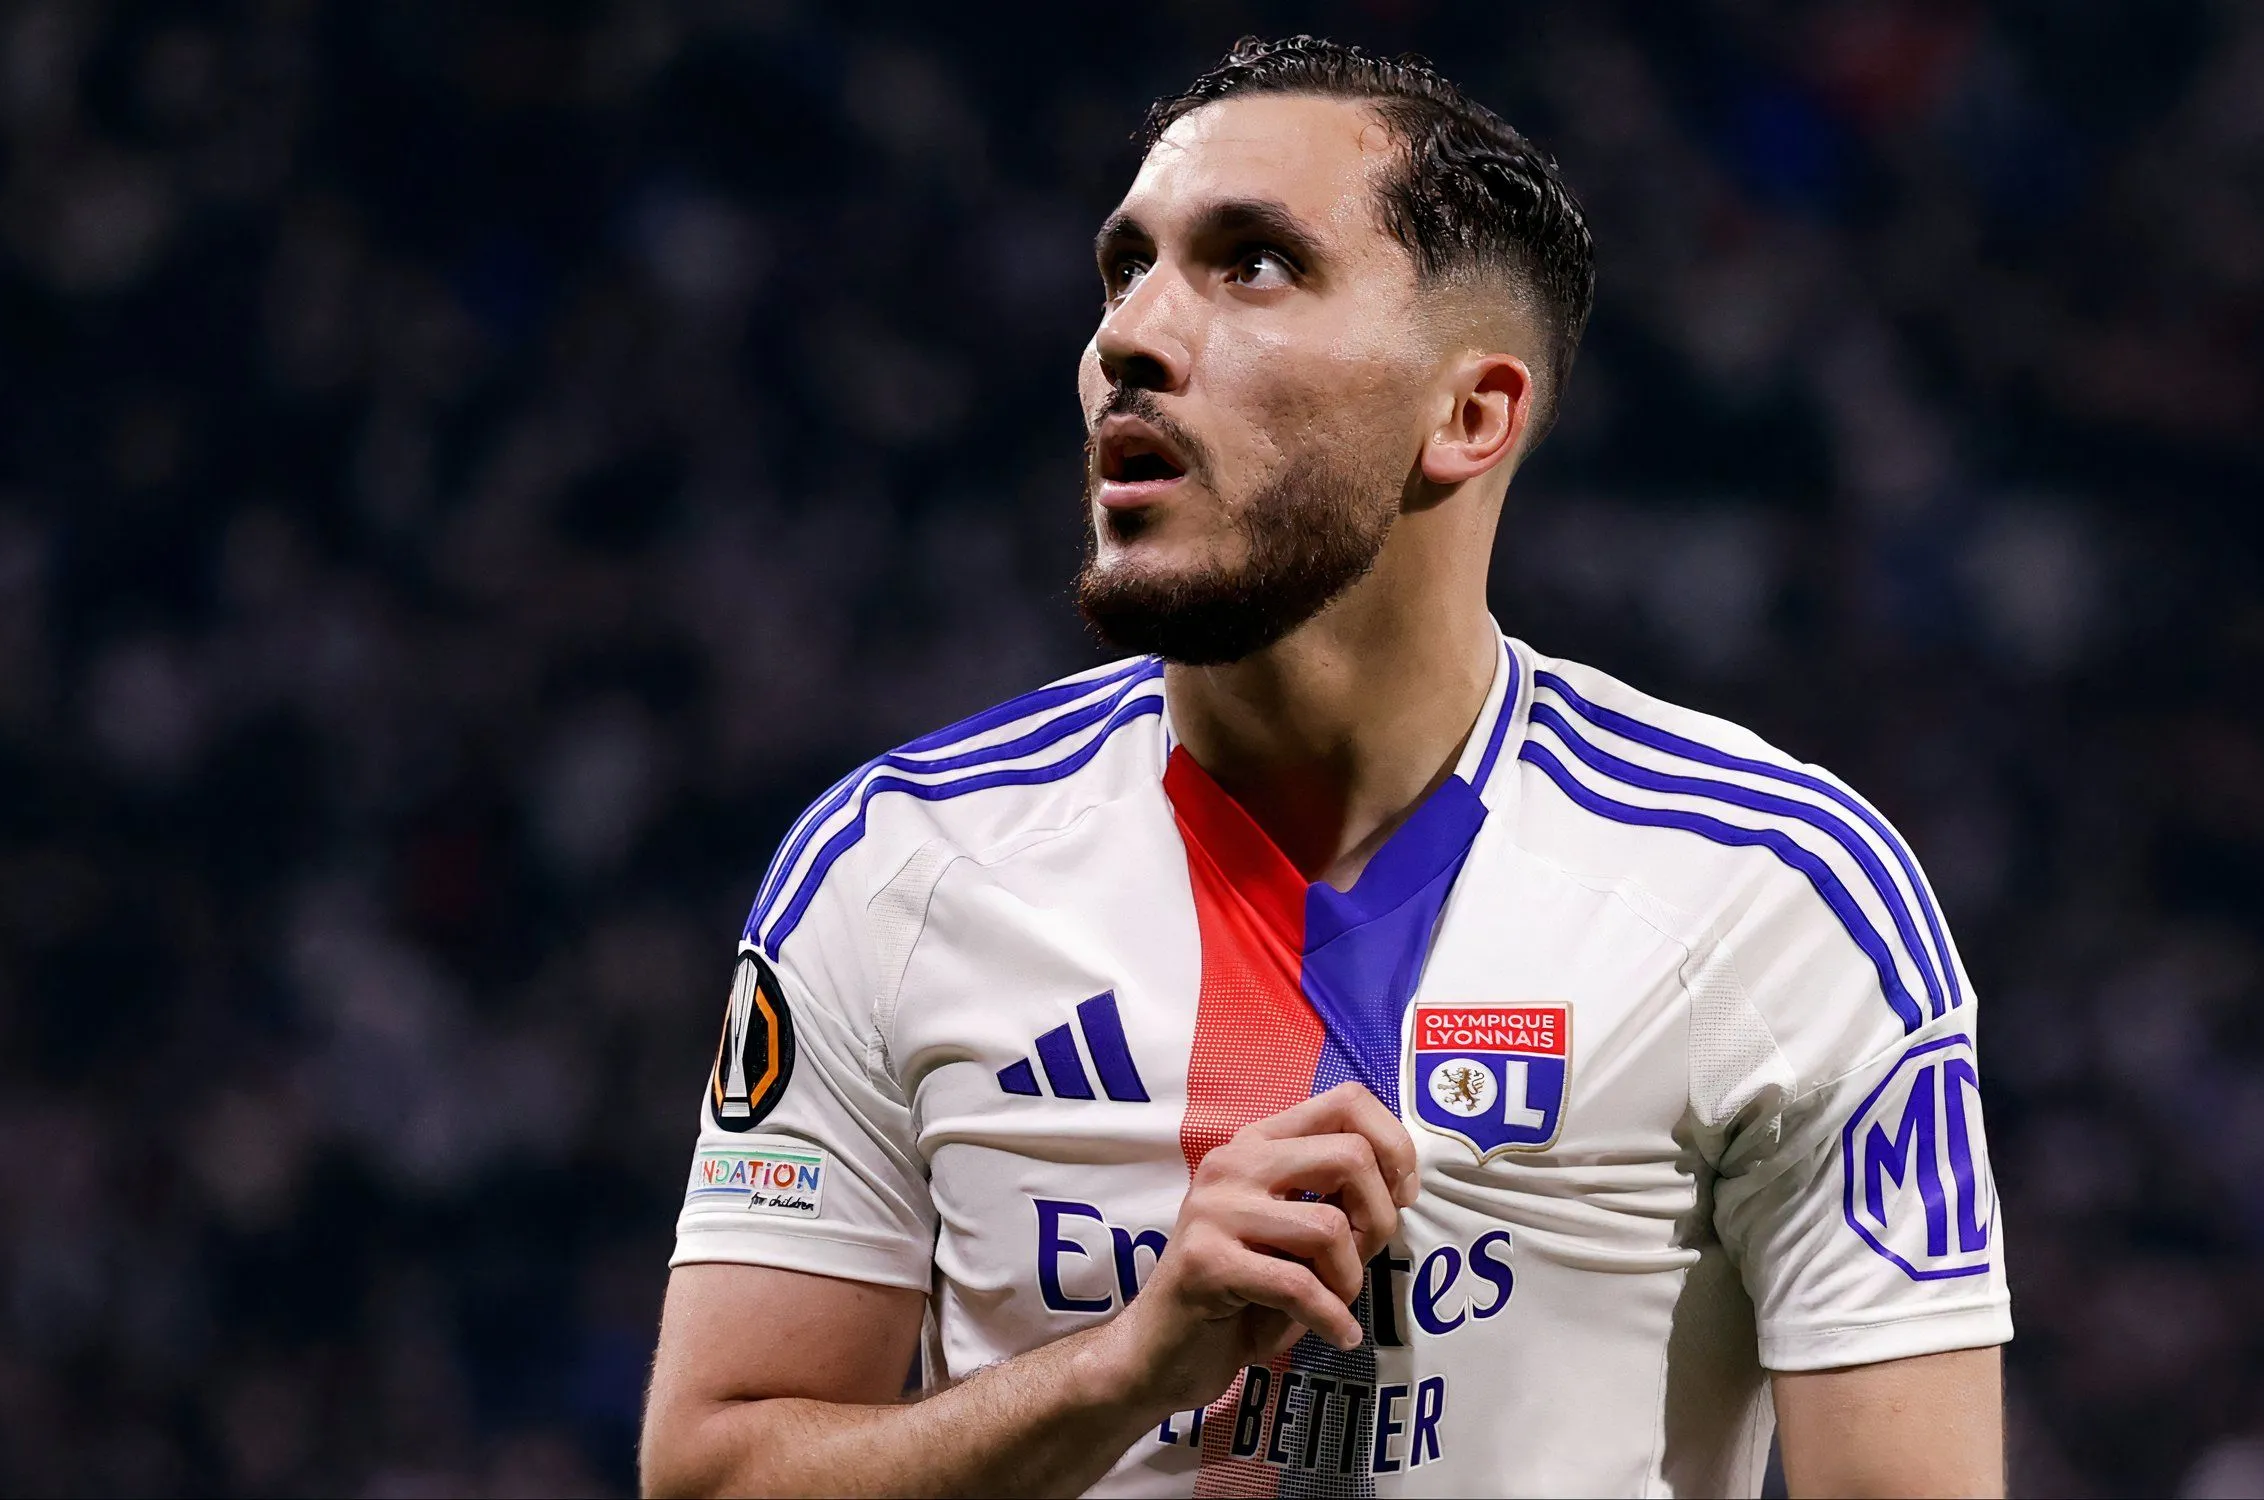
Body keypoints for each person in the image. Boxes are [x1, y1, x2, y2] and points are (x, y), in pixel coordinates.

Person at [639, 35, 2008, 1498]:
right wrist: (1123, 1368)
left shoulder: (1768, 895)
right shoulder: (897, 867)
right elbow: (716, 1474)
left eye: (1254, 267)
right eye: (1125, 269)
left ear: (1469, 416)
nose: (1128, 339)